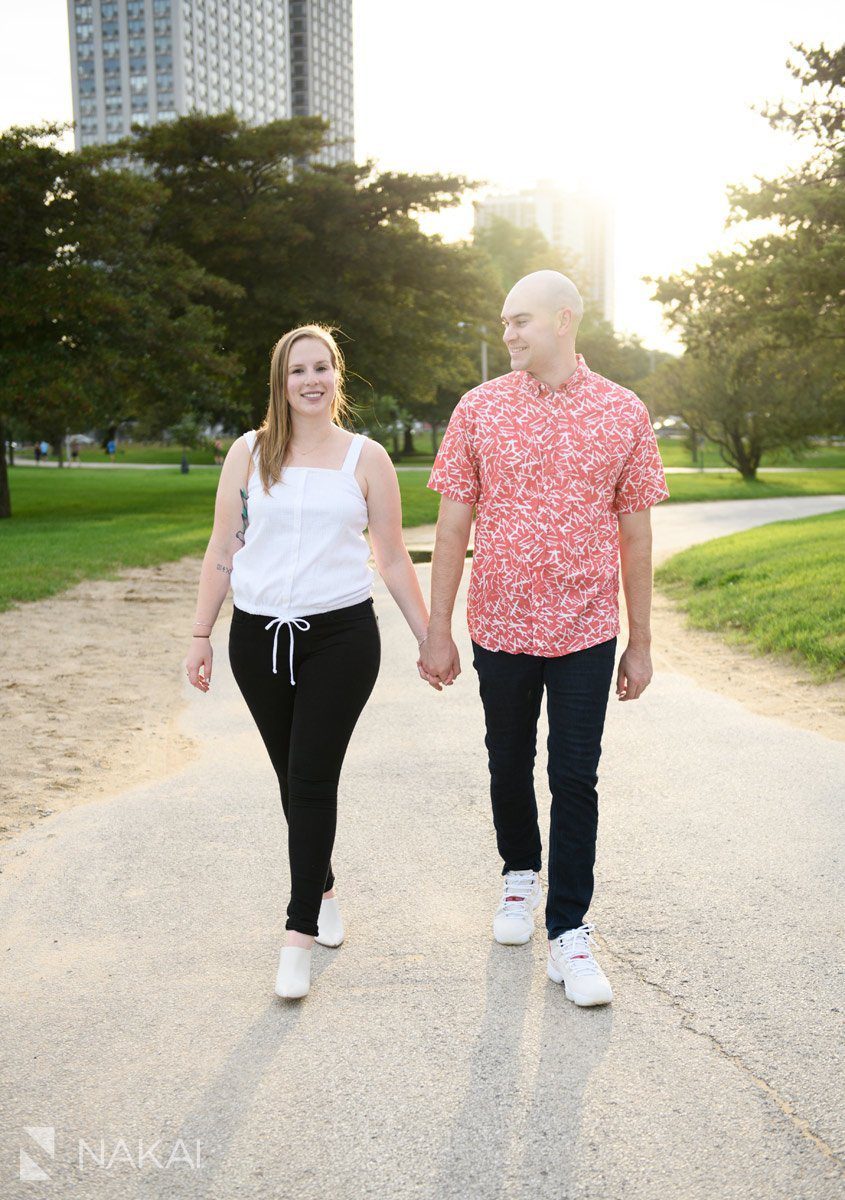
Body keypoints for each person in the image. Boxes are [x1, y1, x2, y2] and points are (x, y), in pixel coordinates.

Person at [421, 270, 669, 1007]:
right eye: (503, 323)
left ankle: (568, 933)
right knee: (506, 760)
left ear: (563, 320)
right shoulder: (478, 409)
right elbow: (450, 527)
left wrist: (642, 641)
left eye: (519, 321)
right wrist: (437, 630)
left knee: (574, 776)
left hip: (587, 628)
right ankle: (518, 877)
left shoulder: (623, 412)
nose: (508, 335)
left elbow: (636, 532)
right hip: (498, 624)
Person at [184, 324, 430, 1000]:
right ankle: (319, 887)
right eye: (298, 371)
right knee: (290, 779)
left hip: (341, 640)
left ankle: (297, 936)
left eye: (322, 367)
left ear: (336, 376)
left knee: (313, 778)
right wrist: (201, 633)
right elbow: (221, 549)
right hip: (257, 639)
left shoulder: (366, 458)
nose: (311, 380)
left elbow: (392, 556)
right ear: (280, 382)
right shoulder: (249, 452)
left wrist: (429, 636)